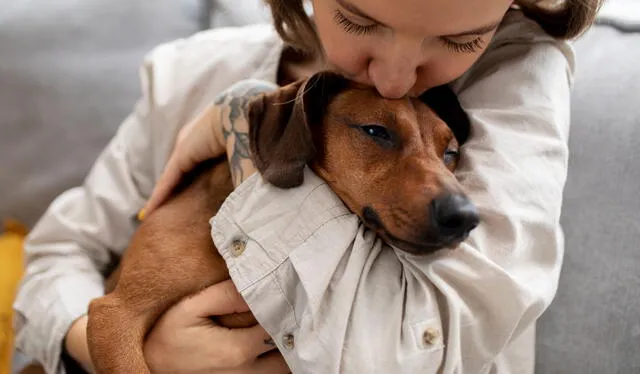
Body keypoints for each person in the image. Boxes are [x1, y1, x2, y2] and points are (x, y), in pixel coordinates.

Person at [13, 0, 603, 373]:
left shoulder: (515, 82)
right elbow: (62, 252)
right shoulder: (182, 75)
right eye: (358, 19)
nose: (396, 80)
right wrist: (110, 347)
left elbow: (417, 351)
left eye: (459, 40)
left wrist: (240, 119)